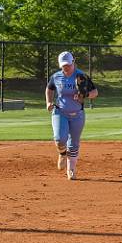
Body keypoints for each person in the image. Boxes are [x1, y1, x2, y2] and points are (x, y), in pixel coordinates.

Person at [45, 51, 98, 179]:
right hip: (60, 112)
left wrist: (84, 95)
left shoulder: (81, 76)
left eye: (68, 64)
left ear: (73, 62)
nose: (66, 67)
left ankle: (71, 169)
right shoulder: (56, 77)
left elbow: (95, 92)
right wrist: (48, 102)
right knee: (59, 139)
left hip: (77, 114)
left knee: (74, 143)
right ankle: (62, 153)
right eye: (64, 65)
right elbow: (49, 89)